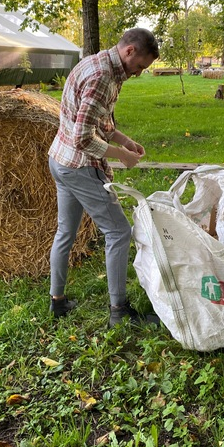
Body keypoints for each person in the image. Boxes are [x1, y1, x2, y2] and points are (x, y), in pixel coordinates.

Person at [48, 28, 159, 326]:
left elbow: (101, 120)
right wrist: (120, 155)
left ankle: (56, 302)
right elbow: (83, 138)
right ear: (130, 51)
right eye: (140, 67)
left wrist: (124, 141)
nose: (138, 73)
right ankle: (119, 313)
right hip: (79, 165)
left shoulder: (100, 64)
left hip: (59, 159)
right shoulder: (102, 77)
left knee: (65, 233)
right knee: (119, 232)